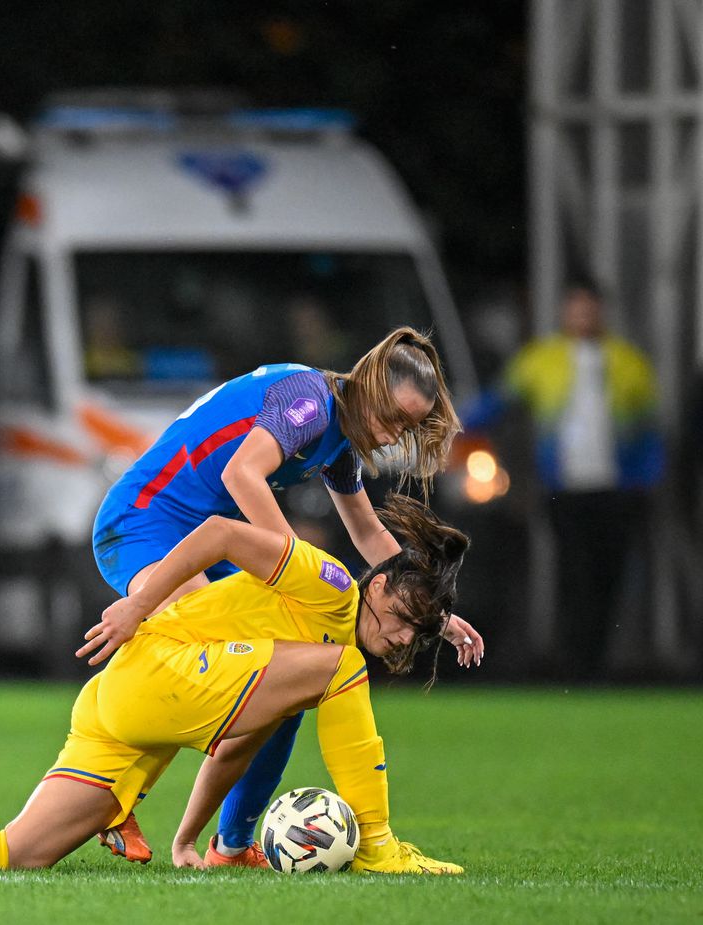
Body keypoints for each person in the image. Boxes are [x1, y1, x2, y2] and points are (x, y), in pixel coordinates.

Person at [0, 495, 467, 875]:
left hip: (126, 700)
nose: (404, 638)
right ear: (376, 586)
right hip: (159, 668)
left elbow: (238, 741)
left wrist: (189, 837)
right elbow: (220, 531)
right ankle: (377, 844)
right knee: (341, 671)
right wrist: (138, 603)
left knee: (16, 852)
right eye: (403, 617)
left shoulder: (299, 665)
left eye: (418, 633)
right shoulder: (329, 584)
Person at [89, 326, 484, 866]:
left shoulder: (340, 440)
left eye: (407, 427)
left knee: (284, 682)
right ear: (369, 383)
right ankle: (112, 796)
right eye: (395, 417)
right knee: (196, 658)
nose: (395, 436)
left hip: (205, 535)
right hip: (145, 522)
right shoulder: (310, 400)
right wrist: (295, 572)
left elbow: (369, 535)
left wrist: (433, 614)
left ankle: (231, 846)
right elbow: (242, 474)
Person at [462, 280, 663, 679]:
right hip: (563, 490)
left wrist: (646, 481)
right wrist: (453, 425)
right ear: (565, 312)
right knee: (573, 573)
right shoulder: (542, 360)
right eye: (576, 307)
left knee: (609, 575)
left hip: (616, 490)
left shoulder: (628, 363)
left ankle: (598, 662)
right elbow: (499, 401)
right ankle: (576, 662)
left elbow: (648, 432)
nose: (582, 316)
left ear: (601, 312)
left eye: (589, 308)